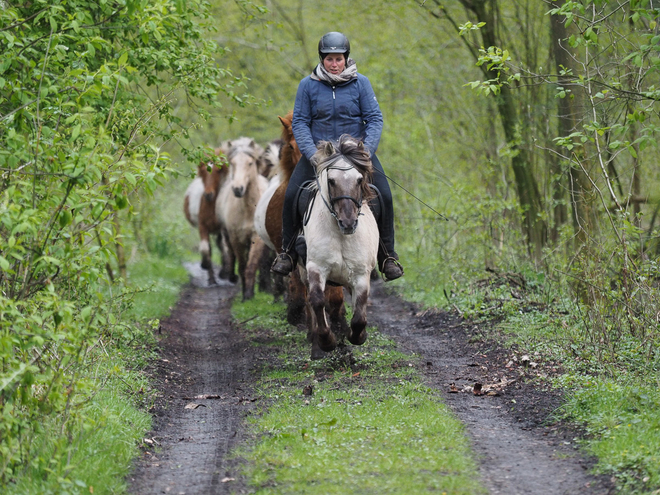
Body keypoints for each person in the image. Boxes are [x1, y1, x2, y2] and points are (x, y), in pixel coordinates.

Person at [271, 31, 404, 281]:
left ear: (346, 59)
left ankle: (387, 256)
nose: (334, 64)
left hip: (356, 155)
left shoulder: (361, 83)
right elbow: (299, 122)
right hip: (320, 156)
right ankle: (287, 253)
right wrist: (312, 155)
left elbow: (374, 119)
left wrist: (365, 152)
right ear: (322, 59)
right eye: (329, 59)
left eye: (339, 59)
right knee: (290, 195)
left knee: (384, 195)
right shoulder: (307, 85)